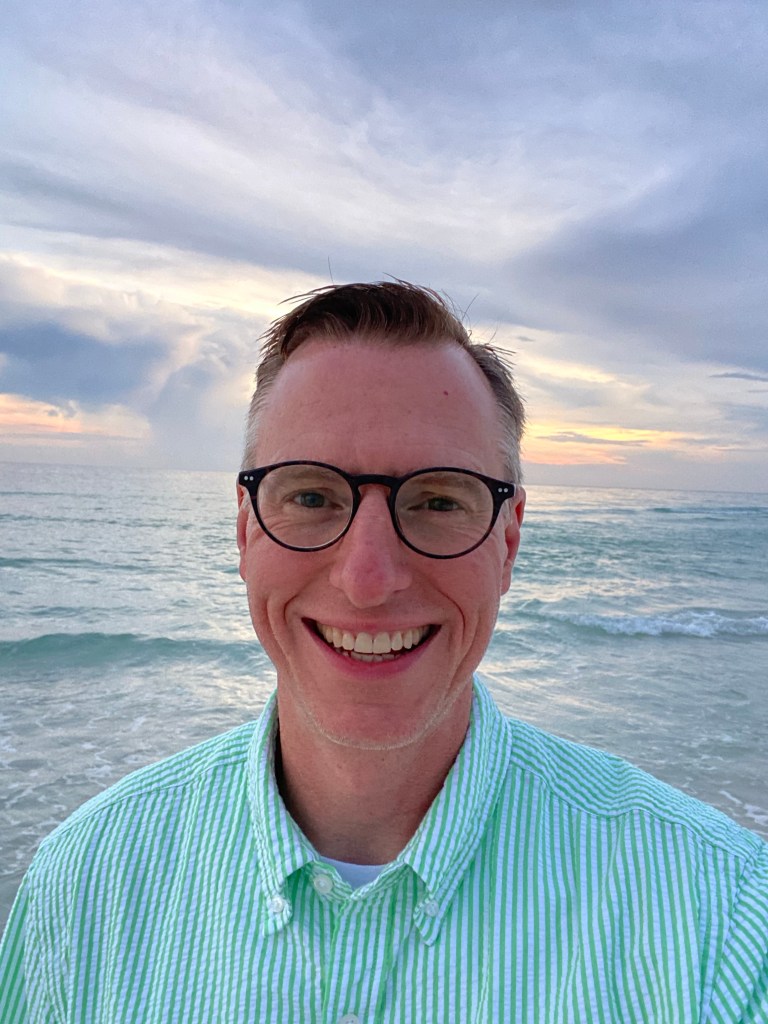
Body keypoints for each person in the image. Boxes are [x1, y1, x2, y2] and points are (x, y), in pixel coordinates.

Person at [1, 281, 766, 1023]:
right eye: (310, 496)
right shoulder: (86, 885)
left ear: (508, 542)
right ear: (244, 528)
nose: (367, 580)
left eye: (438, 501)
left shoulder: (718, 915)